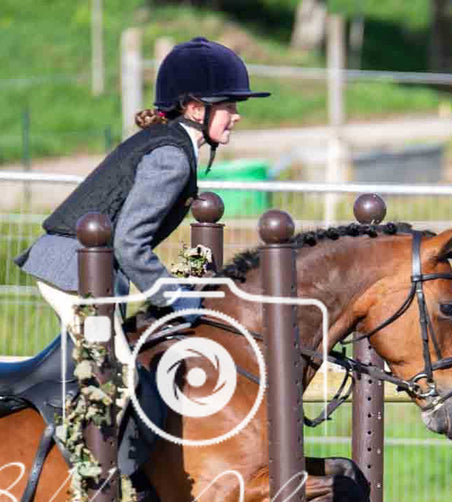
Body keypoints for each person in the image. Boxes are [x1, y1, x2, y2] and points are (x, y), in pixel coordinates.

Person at [14, 37, 269, 335]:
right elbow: (129, 243)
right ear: (196, 110)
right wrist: (175, 297)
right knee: (115, 373)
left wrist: (182, 278)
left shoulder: (168, 142)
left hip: (83, 266)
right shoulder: (172, 158)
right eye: (229, 105)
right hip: (75, 269)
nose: (237, 115)